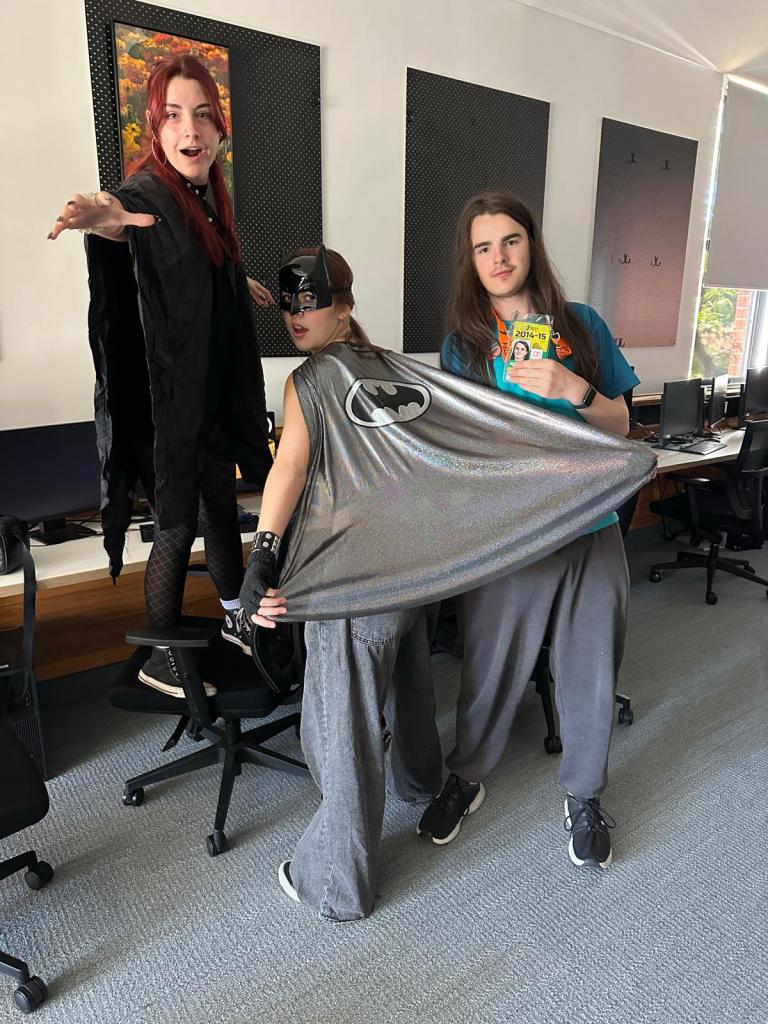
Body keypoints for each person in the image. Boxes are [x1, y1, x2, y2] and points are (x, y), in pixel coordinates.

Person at [416, 192, 640, 869]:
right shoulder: (464, 346)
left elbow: (623, 424)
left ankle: (585, 794)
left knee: (591, 665)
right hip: (512, 530)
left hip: (590, 520)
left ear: (531, 245)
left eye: (510, 240)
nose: (499, 257)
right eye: (483, 247)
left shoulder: (583, 325)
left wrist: (574, 389)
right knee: (488, 665)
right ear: (471, 260)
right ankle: (467, 776)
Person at [48, 55, 274, 698]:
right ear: (156, 129)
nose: (190, 129)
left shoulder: (204, 204)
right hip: (167, 406)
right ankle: (160, 653)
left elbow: (195, 274)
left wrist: (239, 282)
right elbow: (123, 214)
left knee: (221, 511)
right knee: (176, 523)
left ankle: (237, 619)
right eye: (173, 115)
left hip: (201, 400)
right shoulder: (152, 193)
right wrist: (100, 211)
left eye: (202, 114)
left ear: (220, 129)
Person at [239, 246, 443, 921]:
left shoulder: (311, 380)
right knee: (409, 684)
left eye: (313, 301)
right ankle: (421, 782)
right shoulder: (395, 368)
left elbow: (290, 468)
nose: (297, 315)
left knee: (341, 731)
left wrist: (262, 555)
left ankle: (334, 883)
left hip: (352, 579)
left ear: (345, 306)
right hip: (409, 571)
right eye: (290, 304)